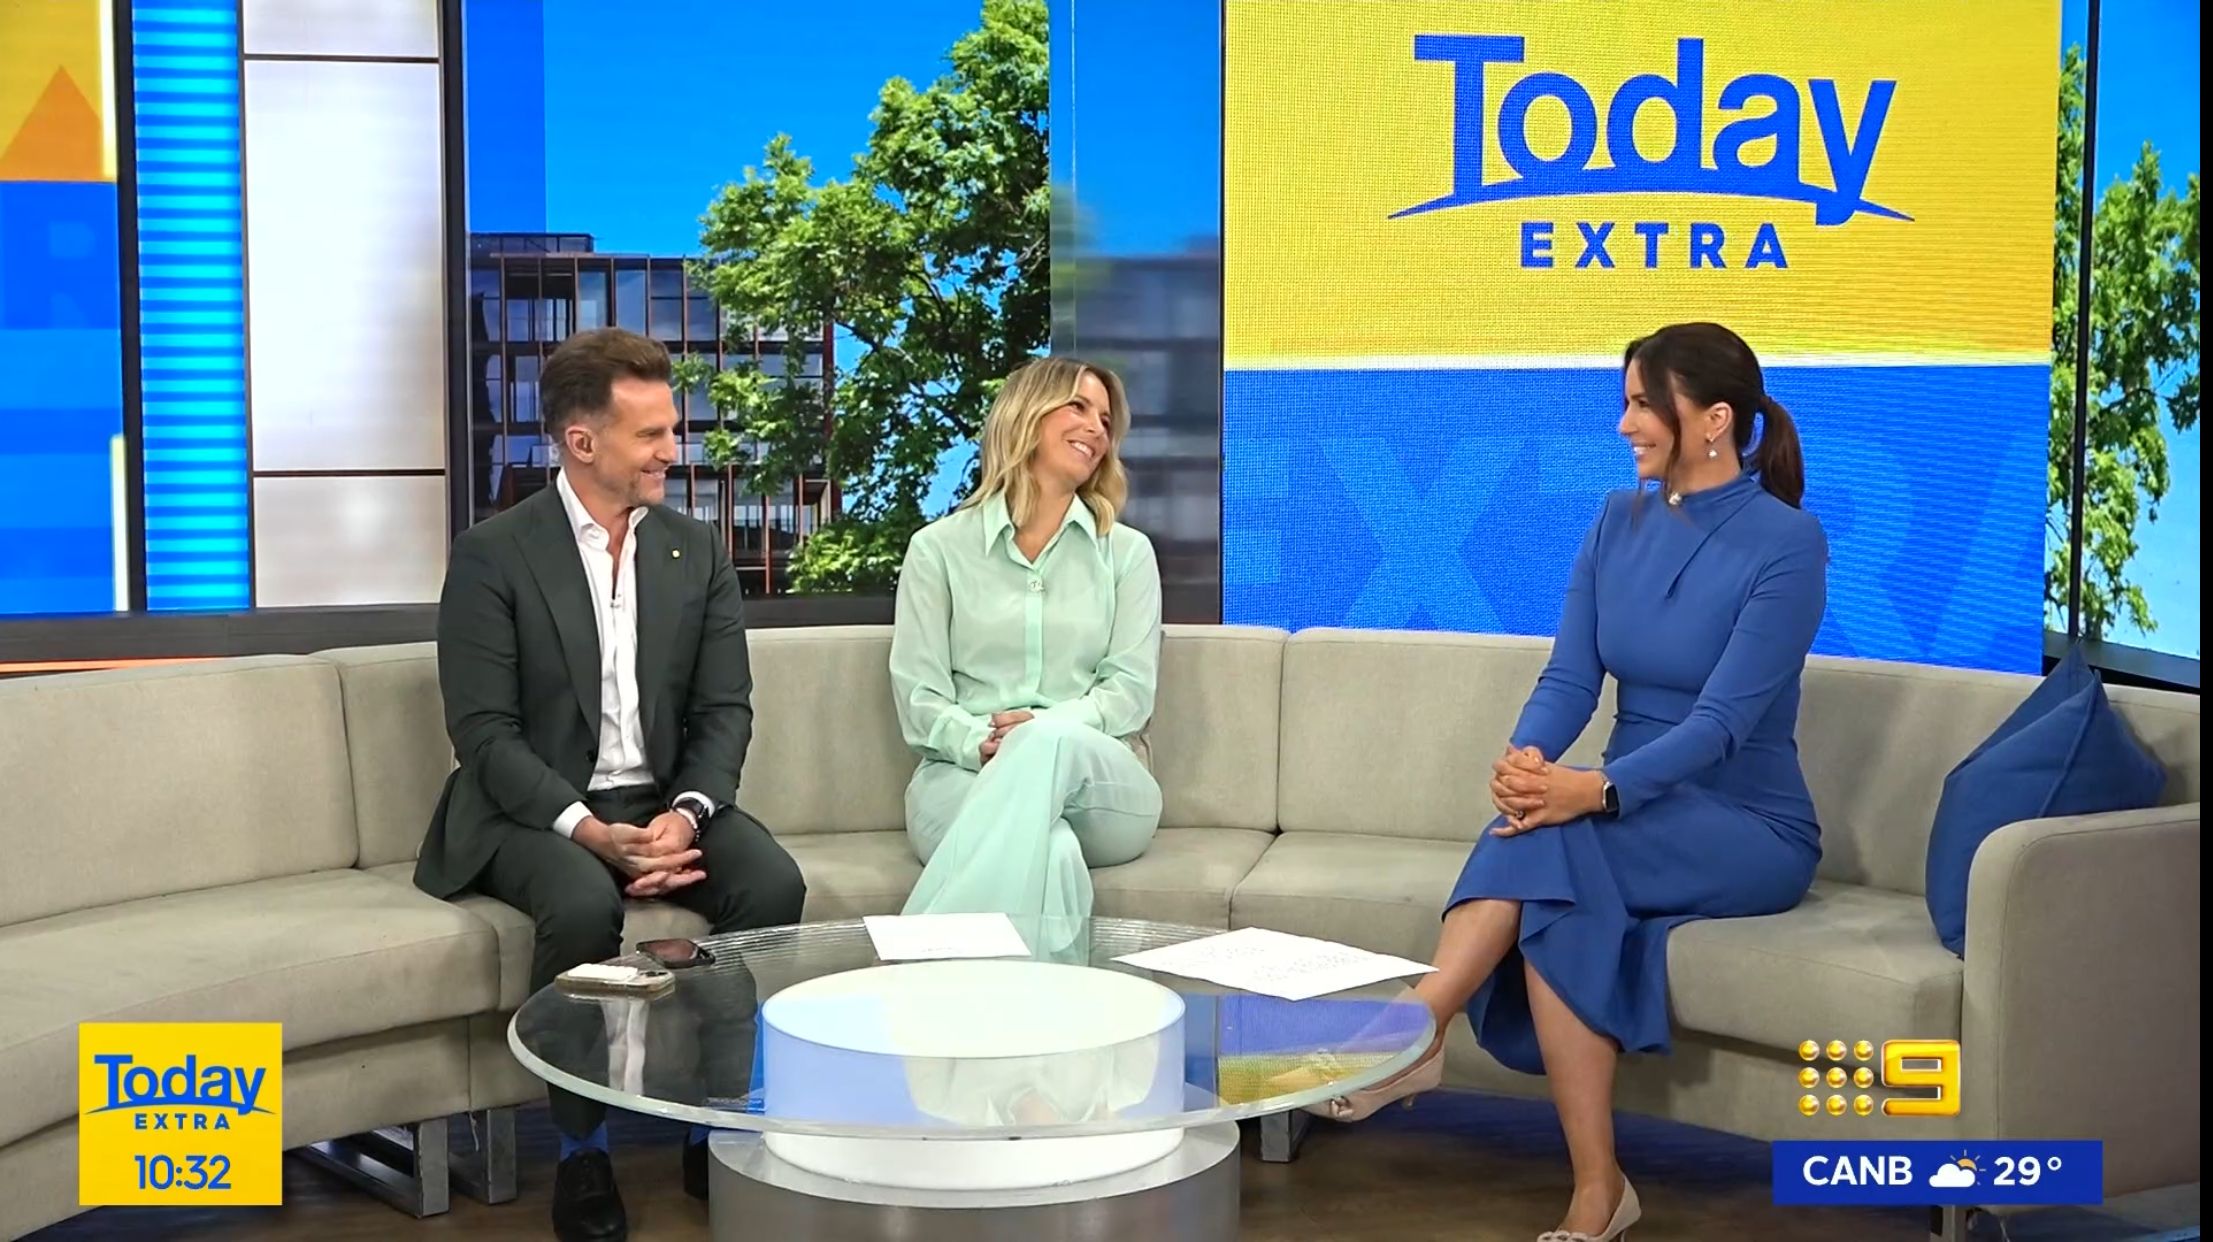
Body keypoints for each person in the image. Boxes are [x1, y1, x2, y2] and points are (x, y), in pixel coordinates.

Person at [1308, 323, 1828, 1242]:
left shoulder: (1787, 543)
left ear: (1713, 419)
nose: (1624, 423)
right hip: (1621, 807)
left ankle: (1417, 1028)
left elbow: (1720, 726)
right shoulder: (1614, 521)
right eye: (1624, 402)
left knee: (1555, 839)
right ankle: (1596, 1188)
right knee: (1550, 864)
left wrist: (1592, 791)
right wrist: (1527, 763)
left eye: (1643, 404)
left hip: (1744, 821)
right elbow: (1570, 678)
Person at [415, 327, 806, 1242]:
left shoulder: (694, 550)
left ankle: (714, 1120)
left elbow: (724, 709)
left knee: (770, 883)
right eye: (652, 435)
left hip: (663, 802)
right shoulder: (494, 553)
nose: (674, 449)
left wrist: (686, 815)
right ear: (581, 441)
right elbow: (483, 734)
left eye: (672, 429)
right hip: (531, 810)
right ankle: (582, 1152)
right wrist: (590, 832)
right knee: (583, 904)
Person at [888, 356, 1163, 946]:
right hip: (962, 775)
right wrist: (982, 742)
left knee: (1047, 742)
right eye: (1078, 407)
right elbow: (920, 698)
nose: (1096, 428)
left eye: (1105, 420)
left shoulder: (1128, 554)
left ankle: (914, 972)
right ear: (1025, 414)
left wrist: (1038, 732)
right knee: (1053, 853)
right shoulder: (937, 551)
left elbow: (1129, 694)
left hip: (1103, 784)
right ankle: (1045, 1007)